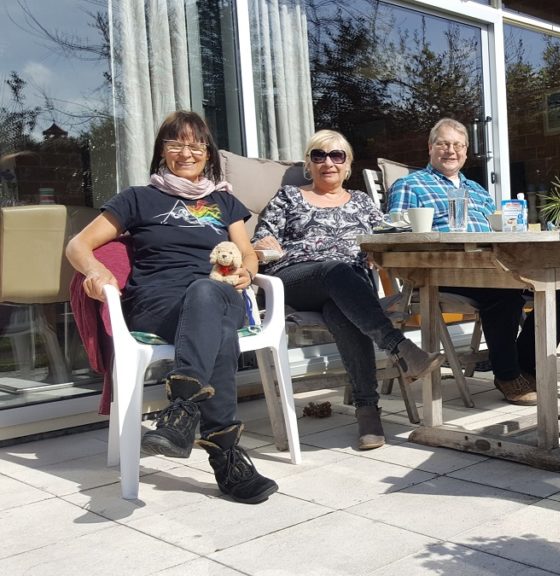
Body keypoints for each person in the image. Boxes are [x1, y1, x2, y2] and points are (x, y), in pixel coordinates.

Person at [66, 110, 277, 504]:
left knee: (205, 293)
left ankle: (181, 411)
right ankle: (226, 458)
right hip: (157, 303)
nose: (187, 152)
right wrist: (95, 272)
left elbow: (246, 254)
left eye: (196, 144)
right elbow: (78, 245)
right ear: (162, 151)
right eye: (176, 143)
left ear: (208, 152)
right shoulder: (137, 198)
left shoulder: (224, 201)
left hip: (221, 294)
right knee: (213, 324)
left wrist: (247, 273)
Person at [251, 130, 443, 451]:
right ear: (309, 164)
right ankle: (400, 349)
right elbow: (261, 239)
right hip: (296, 280)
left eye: (336, 156)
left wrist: (378, 250)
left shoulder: (363, 202)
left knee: (339, 308)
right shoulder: (288, 196)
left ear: (348, 164)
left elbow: (387, 234)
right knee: (335, 271)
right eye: (318, 156)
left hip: (348, 288)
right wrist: (262, 243)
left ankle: (368, 414)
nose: (328, 162)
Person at [388, 118, 560, 405]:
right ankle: (507, 374)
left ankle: (524, 365)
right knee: (502, 293)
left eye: (458, 145)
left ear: (465, 152)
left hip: (491, 266)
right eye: (443, 143)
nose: (450, 150)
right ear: (430, 148)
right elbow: (393, 236)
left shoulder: (477, 190)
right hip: (440, 274)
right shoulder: (410, 185)